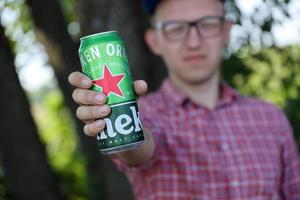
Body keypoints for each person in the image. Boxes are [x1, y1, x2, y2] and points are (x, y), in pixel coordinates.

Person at [68, 0, 300, 199]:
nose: (193, 42)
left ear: (226, 31)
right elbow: (139, 149)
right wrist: (117, 118)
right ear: (154, 41)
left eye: (207, 24)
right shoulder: (146, 114)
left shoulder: (271, 118)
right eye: (175, 28)